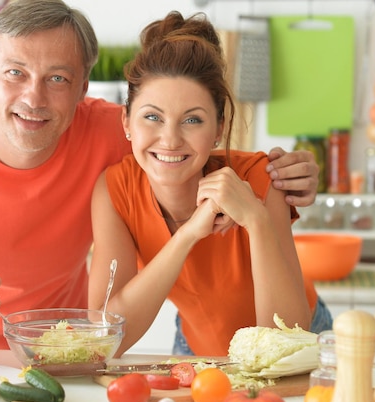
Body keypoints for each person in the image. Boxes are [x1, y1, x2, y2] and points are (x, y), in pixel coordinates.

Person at [0, 0, 320, 360]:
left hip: (62, 354)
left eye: (57, 78)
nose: (34, 98)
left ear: (84, 90)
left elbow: (187, 147)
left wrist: (287, 175)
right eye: (15, 73)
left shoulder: (118, 136)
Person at [88, 10, 332, 358]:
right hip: (196, 349)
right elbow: (103, 339)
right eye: (152, 117)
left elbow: (286, 342)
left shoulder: (259, 179)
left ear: (218, 129)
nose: (170, 140)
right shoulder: (115, 190)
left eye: (192, 120)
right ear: (126, 121)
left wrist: (257, 219)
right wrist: (188, 234)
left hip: (305, 342)